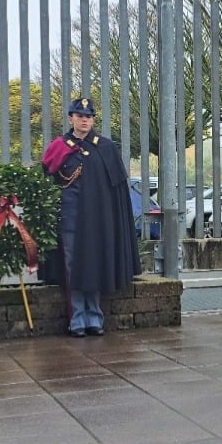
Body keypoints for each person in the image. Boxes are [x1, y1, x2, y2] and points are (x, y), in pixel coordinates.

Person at [41, 97, 140, 337]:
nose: (84, 120)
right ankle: (77, 319)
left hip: (97, 221)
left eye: (88, 116)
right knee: (72, 267)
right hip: (70, 218)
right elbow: (46, 183)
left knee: (94, 264)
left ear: (93, 120)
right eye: (79, 116)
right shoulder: (59, 147)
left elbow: (117, 193)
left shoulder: (105, 148)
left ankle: (94, 317)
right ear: (71, 118)